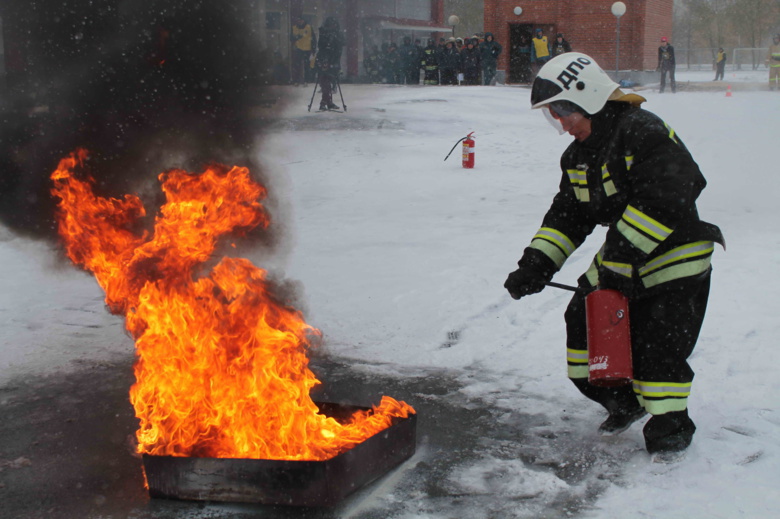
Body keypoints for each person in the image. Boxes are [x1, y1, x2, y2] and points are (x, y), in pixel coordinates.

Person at [503, 52, 723, 459]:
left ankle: (670, 426)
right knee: (581, 322)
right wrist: (535, 265)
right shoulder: (577, 156)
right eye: (555, 115)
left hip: (677, 252)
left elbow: (670, 197)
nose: (563, 123)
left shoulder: (643, 131)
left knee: (658, 344)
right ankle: (624, 401)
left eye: (565, 110)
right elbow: (568, 216)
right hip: (625, 254)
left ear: (590, 96)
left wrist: (619, 264)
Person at [315, 17, 343, 111]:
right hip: (325, 59)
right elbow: (322, 46)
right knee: (325, 82)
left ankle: (328, 102)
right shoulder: (324, 33)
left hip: (333, 59)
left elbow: (342, 43)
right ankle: (324, 102)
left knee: (330, 81)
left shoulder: (337, 34)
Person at [291, 16, 316, 86]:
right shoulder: (294, 28)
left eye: (301, 20)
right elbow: (291, 38)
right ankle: (296, 80)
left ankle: (306, 80)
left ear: (304, 21)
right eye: (299, 21)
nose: (300, 22)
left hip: (307, 49)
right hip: (298, 49)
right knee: (297, 65)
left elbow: (313, 38)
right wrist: (297, 37)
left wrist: (313, 49)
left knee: (307, 66)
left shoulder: (309, 28)